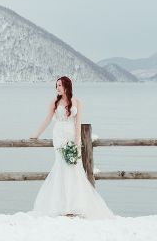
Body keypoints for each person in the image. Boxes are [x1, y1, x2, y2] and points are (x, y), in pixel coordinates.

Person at [30, 75, 113, 219]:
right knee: (61, 167)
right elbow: (47, 120)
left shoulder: (77, 102)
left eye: (60, 85)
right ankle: (62, 205)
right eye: (56, 86)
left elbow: (78, 123)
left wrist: (77, 142)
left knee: (74, 168)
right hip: (59, 136)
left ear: (67, 86)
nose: (57, 88)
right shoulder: (54, 103)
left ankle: (75, 205)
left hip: (71, 136)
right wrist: (36, 134)